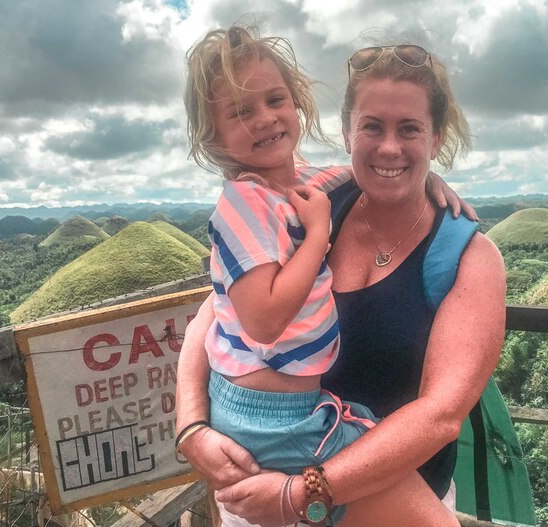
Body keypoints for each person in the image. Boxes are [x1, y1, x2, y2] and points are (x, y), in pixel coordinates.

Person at [176, 35, 506, 526]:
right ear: (348, 133)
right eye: (373, 127)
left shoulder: (468, 257)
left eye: (410, 129)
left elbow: (441, 413)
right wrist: (191, 426)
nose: (389, 146)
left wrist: (300, 492)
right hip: (266, 478)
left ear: (436, 138)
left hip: (365, 500)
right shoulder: (315, 206)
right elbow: (217, 311)